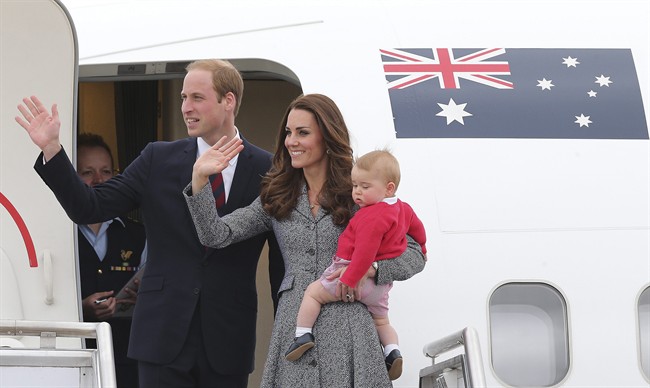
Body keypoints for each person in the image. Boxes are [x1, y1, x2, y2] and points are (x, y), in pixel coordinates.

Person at [15, 58, 284, 388]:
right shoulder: (158, 159)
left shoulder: (268, 169)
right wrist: (53, 149)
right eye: (183, 98)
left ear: (228, 101)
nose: (186, 107)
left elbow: (281, 263)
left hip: (229, 337)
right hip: (161, 335)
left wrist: (291, 333)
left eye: (196, 98)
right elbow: (89, 207)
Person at [183, 93, 426, 387]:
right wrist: (199, 180)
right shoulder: (277, 195)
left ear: (327, 137)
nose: (291, 141)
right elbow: (217, 235)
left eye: (303, 133)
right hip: (295, 326)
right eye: (288, 132)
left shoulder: (360, 191)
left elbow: (416, 253)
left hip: (350, 329)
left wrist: (373, 270)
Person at [283, 149, 427, 380]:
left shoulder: (370, 216)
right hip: (380, 288)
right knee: (381, 320)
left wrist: (349, 278)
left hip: (351, 273)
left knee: (313, 294)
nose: (357, 192)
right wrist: (423, 247)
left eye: (364, 187)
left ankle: (302, 334)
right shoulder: (403, 208)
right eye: (355, 186)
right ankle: (392, 351)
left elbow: (364, 253)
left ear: (388, 188)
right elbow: (418, 230)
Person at [76, 132, 147, 388]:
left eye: (106, 171)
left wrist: (144, 295)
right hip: (75, 355)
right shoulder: (59, 234)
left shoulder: (138, 233)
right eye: (87, 172)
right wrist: (82, 307)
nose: (98, 180)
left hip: (126, 358)